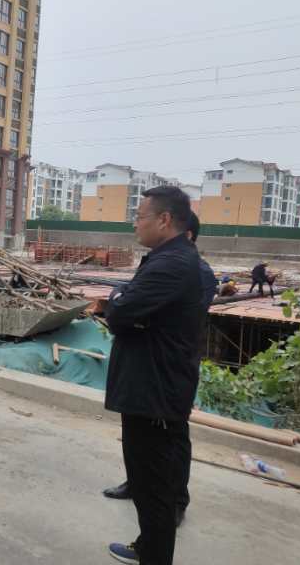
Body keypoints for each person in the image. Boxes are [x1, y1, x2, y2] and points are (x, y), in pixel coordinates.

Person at [105, 187, 205, 565]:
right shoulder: (168, 259)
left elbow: (119, 312)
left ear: (164, 220)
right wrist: (126, 305)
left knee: (154, 490)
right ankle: (147, 547)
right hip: (150, 388)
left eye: (140, 217)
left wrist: (120, 305)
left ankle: (154, 555)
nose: (135, 224)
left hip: (155, 393)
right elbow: (128, 304)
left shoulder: (172, 264)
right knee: (147, 485)